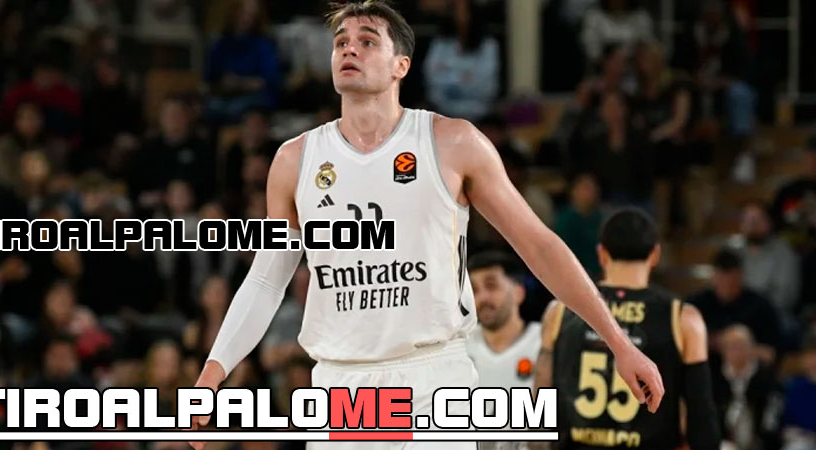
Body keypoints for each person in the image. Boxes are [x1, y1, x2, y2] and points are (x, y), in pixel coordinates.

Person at [193, 3, 664, 450]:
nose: (349, 48)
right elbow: (266, 279)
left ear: (401, 65)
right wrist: (214, 372)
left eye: (367, 40)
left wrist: (619, 343)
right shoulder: (294, 160)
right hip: (339, 383)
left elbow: (539, 246)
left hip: (433, 377)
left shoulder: (452, 142)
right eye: (340, 42)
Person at [534, 208, 720, 450]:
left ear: (602, 254)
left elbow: (540, 402)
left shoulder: (558, 311)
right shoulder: (683, 317)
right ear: (655, 255)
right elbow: (701, 419)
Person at [465, 251, 541, 450]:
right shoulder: (458, 346)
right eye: (474, 290)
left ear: (519, 292)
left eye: (491, 286)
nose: (482, 297)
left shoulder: (545, 343)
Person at [688, 248, 783, 365]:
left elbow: (772, 353)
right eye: (722, 280)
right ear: (714, 277)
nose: (727, 286)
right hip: (709, 368)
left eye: (733, 281)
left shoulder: (760, 306)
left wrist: (743, 348)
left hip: (750, 370)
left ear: (741, 277)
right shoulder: (696, 305)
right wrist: (717, 341)